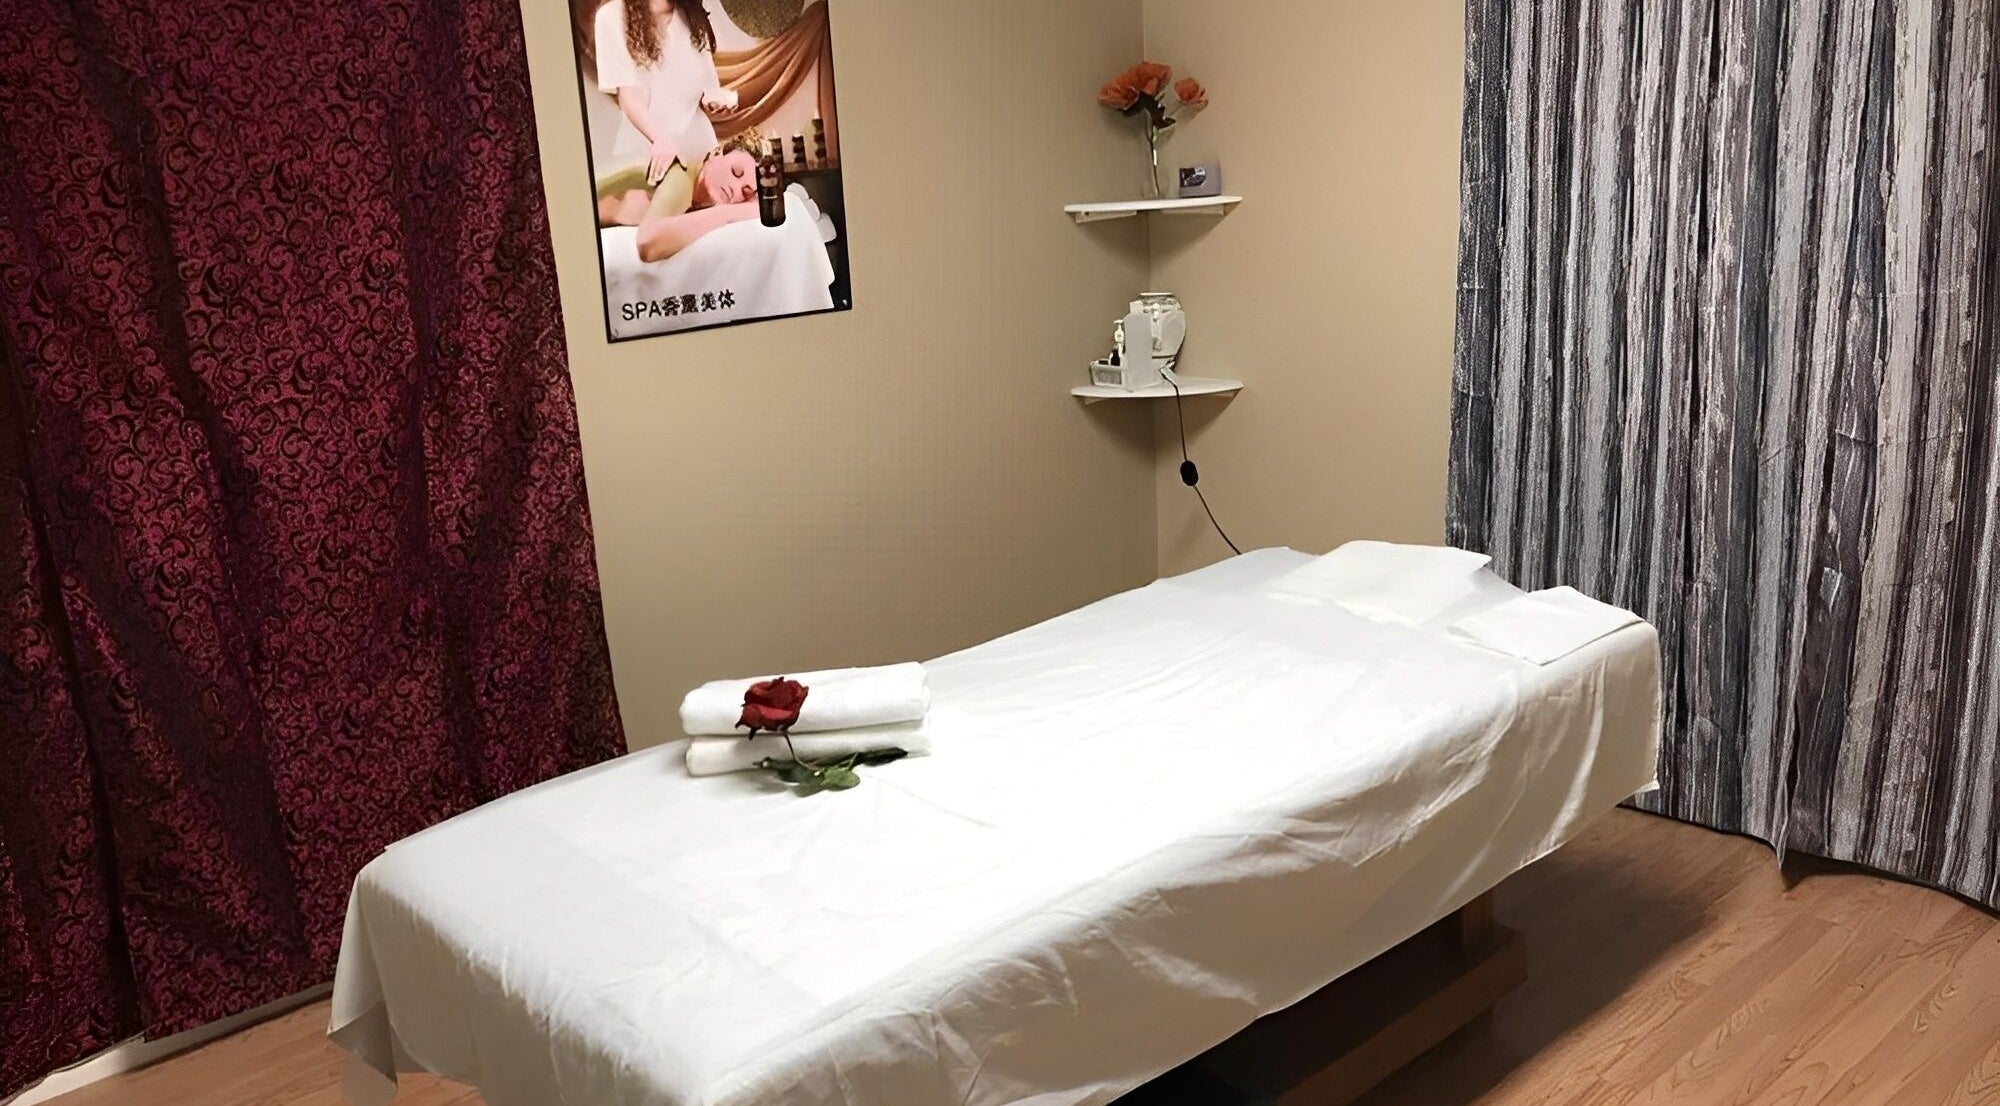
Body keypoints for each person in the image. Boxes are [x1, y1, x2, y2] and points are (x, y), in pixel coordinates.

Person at [594, 0, 738, 188]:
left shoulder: (692, 15)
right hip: (648, 156)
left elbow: (710, 88)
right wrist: (660, 140)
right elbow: (629, 98)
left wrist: (718, 101)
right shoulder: (611, 17)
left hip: (701, 151)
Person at [596, 131, 767, 263]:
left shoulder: (698, 203)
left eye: (745, 192)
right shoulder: (682, 172)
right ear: (718, 152)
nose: (735, 189)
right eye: (736, 171)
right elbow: (648, 243)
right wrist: (731, 212)